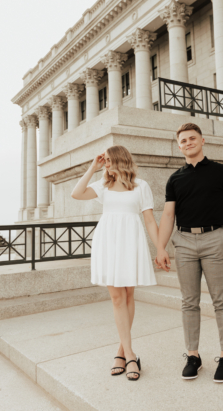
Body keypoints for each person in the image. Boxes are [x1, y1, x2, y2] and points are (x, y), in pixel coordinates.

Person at [155, 123, 223, 383]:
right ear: (179, 145)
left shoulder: (221, 171)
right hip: (184, 242)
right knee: (188, 301)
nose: (188, 143)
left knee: (221, 300)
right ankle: (193, 356)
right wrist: (161, 247)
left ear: (203, 140)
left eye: (192, 138)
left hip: (215, 239)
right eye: (183, 140)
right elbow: (168, 214)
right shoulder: (175, 178)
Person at [71, 145, 158, 381]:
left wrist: (160, 248)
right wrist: (92, 167)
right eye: (104, 160)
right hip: (108, 241)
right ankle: (130, 355)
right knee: (117, 297)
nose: (105, 163)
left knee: (129, 295)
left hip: (131, 241)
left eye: (108, 160)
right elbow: (76, 194)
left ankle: (121, 351)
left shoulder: (141, 186)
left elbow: (149, 220)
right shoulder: (103, 186)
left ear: (120, 159)